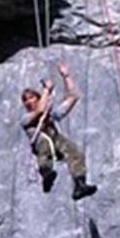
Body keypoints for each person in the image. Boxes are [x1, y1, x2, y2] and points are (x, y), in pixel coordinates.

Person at [20, 61, 98, 201]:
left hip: (55, 141)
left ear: (38, 99)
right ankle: (47, 173)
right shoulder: (26, 119)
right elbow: (40, 111)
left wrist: (66, 76)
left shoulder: (51, 115)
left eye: (32, 98)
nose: (28, 102)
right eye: (26, 100)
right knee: (44, 145)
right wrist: (46, 89)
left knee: (74, 151)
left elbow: (73, 97)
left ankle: (79, 184)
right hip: (42, 144)